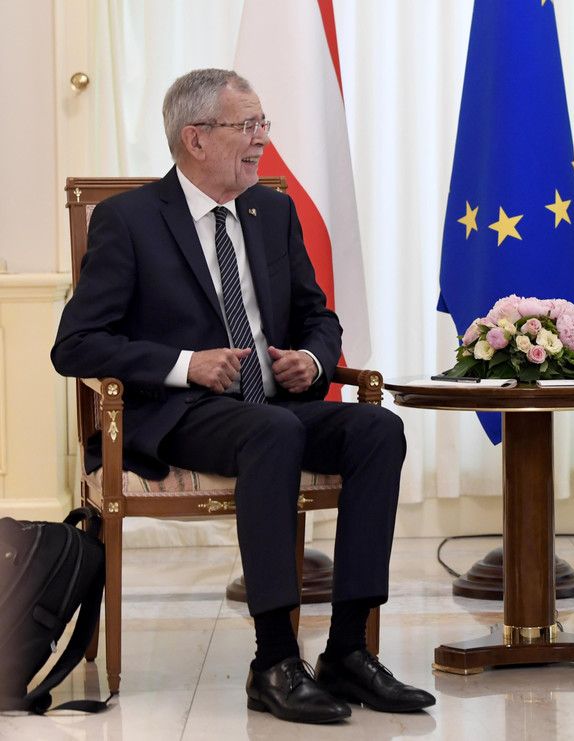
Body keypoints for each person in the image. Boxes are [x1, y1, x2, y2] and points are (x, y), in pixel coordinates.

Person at [52, 68, 434, 724]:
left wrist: (312, 359)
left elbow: (318, 316)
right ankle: (275, 660)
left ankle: (348, 650)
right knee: (273, 432)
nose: (262, 138)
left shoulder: (272, 212)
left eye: (264, 124)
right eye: (248, 125)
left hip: (274, 405)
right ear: (196, 138)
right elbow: (76, 344)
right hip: (183, 413)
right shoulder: (130, 221)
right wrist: (184, 365)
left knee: (378, 429)